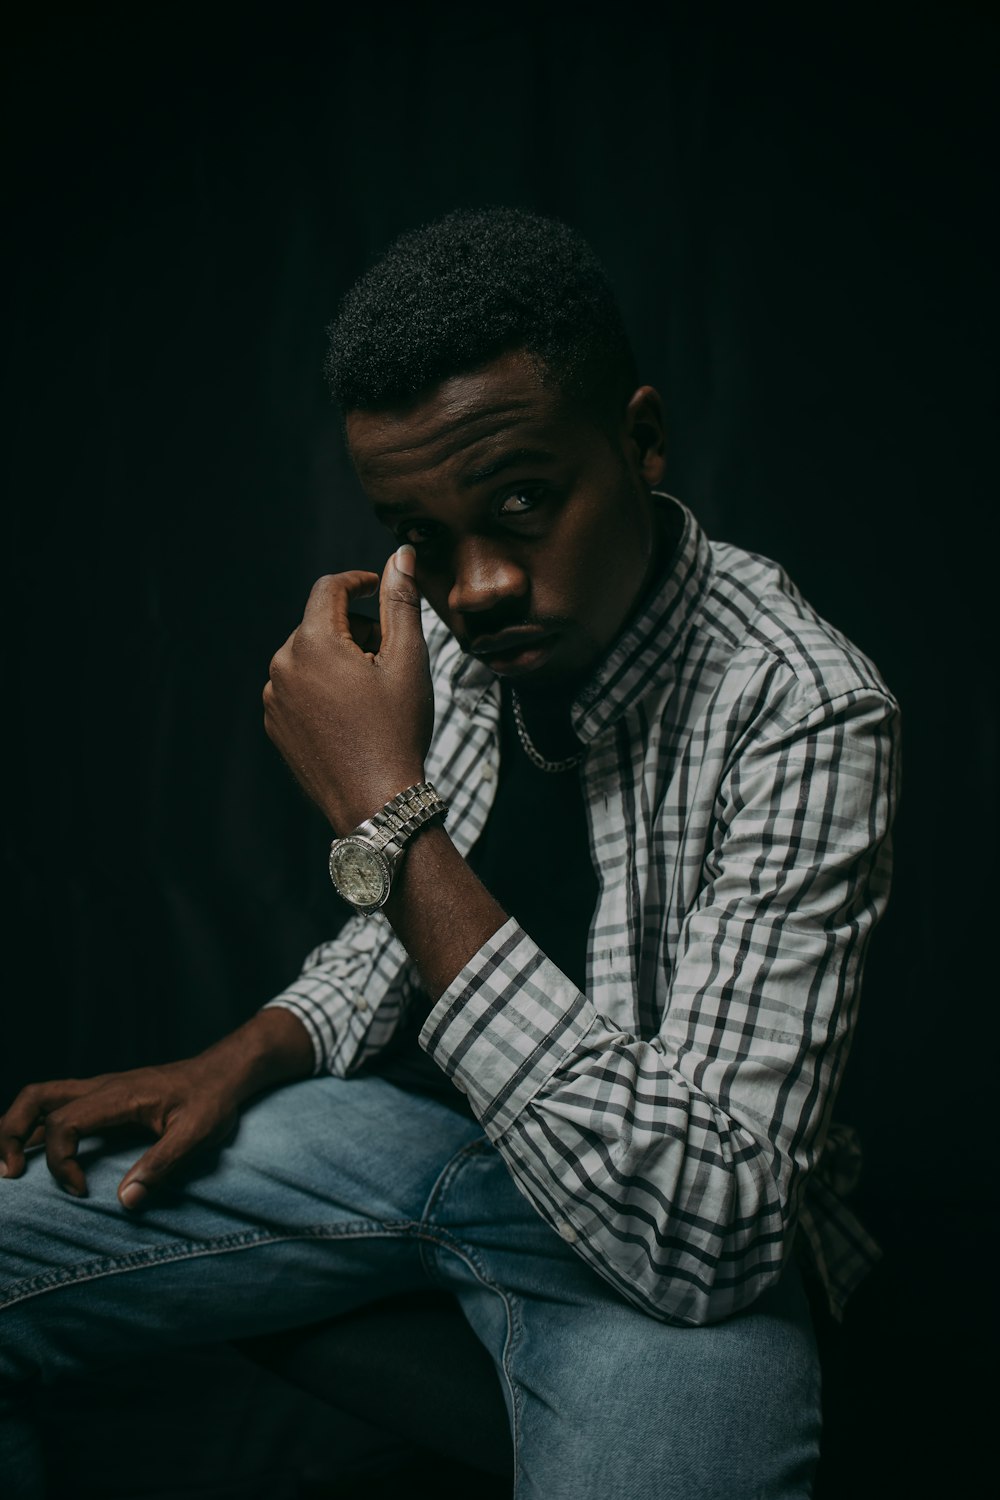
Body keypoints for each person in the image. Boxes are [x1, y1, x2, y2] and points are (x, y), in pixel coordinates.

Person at [0, 207, 899, 1499]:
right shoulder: (486, 625)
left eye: (525, 503)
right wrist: (245, 1052)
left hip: (666, 1226)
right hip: (431, 1140)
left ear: (640, 440)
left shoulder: (805, 706)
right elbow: (402, 928)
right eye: (423, 536)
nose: (474, 587)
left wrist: (379, 801)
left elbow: (705, 1230)